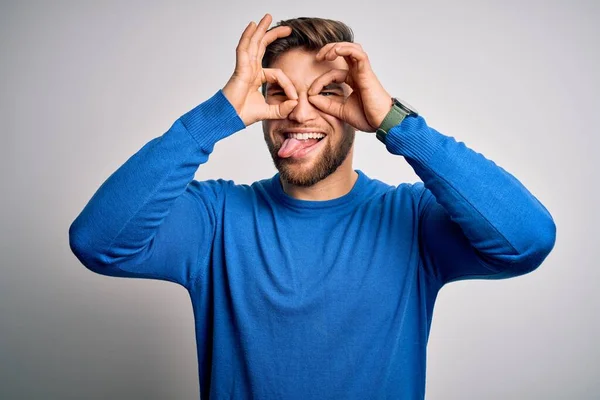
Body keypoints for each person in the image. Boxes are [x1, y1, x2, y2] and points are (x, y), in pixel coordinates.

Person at [69, 13, 556, 399]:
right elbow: (97, 243)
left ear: (358, 103)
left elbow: (527, 241)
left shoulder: (412, 221)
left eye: (327, 93)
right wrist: (216, 115)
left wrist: (396, 122)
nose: (300, 113)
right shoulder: (215, 219)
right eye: (279, 92)